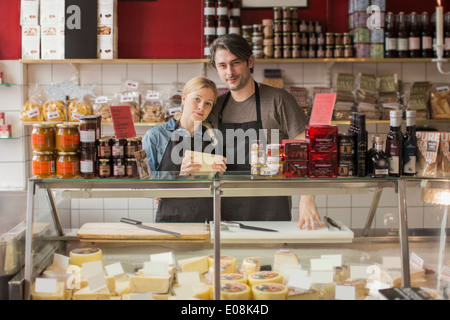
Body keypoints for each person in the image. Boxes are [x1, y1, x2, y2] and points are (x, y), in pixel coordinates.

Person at [208, 33, 323, 230]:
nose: (229, 72)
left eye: (235, 63)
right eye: (222, 65)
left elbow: (308, 146)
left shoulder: (278, 99)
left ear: (250, 61)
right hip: (224, 211)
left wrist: (307, 195)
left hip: (272, 210)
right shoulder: (216, 106)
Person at [142, 76, 226, 222]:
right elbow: (141, 182)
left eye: (208, 103)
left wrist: (219, 173)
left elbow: (217, 185)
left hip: (208, 218)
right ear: (184, 99)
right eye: (197, 99)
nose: (201, 107)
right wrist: (177, 174)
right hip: (170, 218)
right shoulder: (155, 136)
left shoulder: (214, 138)